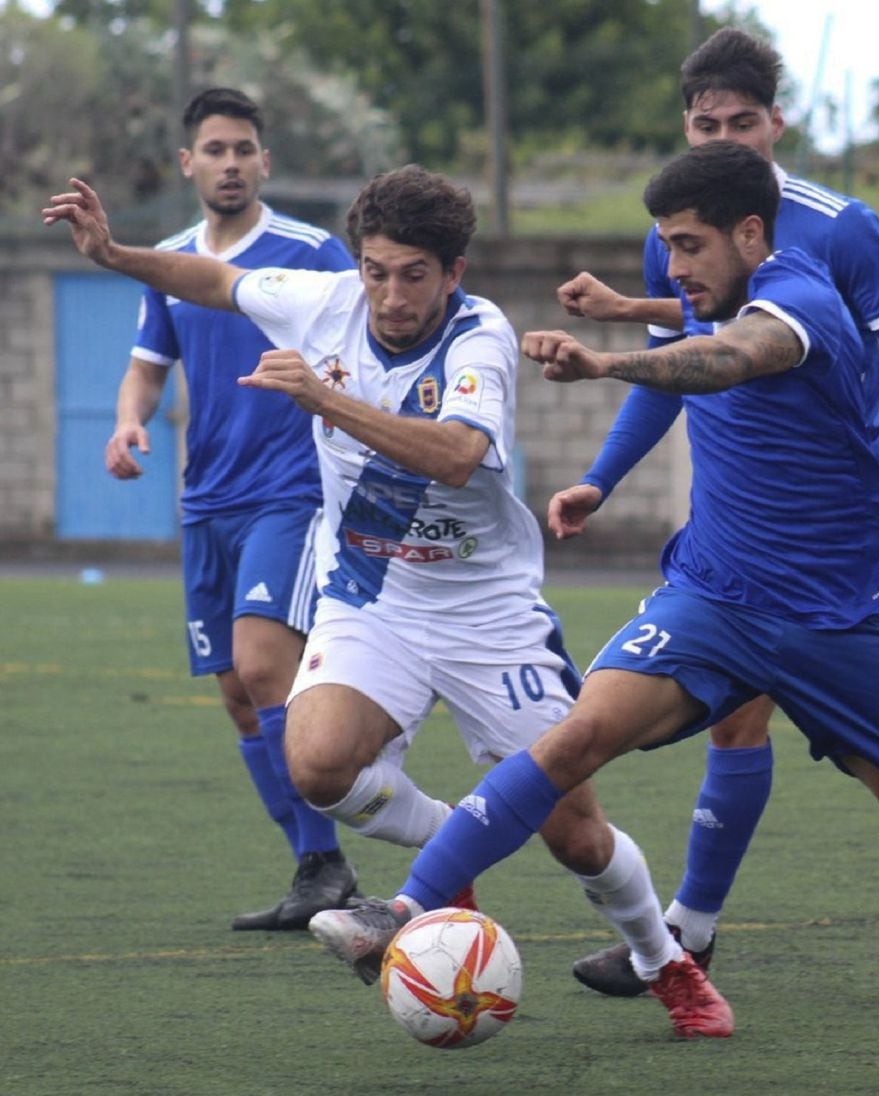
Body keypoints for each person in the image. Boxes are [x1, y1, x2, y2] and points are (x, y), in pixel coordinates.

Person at [289, 140, 879, 1055]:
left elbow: (730, 360)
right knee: (575, 739)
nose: (674, 264)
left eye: (691, 245)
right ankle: (407, 909)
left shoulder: (801, 302)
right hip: (709, 596)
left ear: (751, 233)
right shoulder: (711, 291)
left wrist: (605, 359)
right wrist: (606, 453)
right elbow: (690, 333)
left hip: (832, 626)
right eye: (664, 243)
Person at [44, 165, 733, 1039]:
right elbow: (214, 279)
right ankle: (458, 846)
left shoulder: (479, 338)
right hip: (374, 598)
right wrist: (113, 253)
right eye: (376, 271)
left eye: (414, 274)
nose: (391, 294)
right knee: (318, 765)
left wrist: (323, 396)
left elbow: (450, 455)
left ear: (454, 272)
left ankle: (664, 964)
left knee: (576, 834)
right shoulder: (323, 299)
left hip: (488, 614)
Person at [551, 27, 879, 997]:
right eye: (707, 123)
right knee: (754, 715)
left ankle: (690, 932)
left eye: (742, 122)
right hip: (736, 536)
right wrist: (603, 477)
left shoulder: (838, 229)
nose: (727, 138)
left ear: (776, 121)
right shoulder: (679, 219)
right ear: (685, 125)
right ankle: (690, 934)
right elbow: (682, 371)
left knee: (855, 736)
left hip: (827, 523)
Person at [101, 87, 358, 931]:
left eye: (244, 148)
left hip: (287, 494)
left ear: (265, 162)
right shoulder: (170, 261)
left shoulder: (311, 251)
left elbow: (361, 349)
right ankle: (315, 868)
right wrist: (129, 419)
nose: (231, 163)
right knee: (238, 698)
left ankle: (330, 858)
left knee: (261, 665)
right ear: (189, 164)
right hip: (204, 500)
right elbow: (148, 364)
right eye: (214, 149)